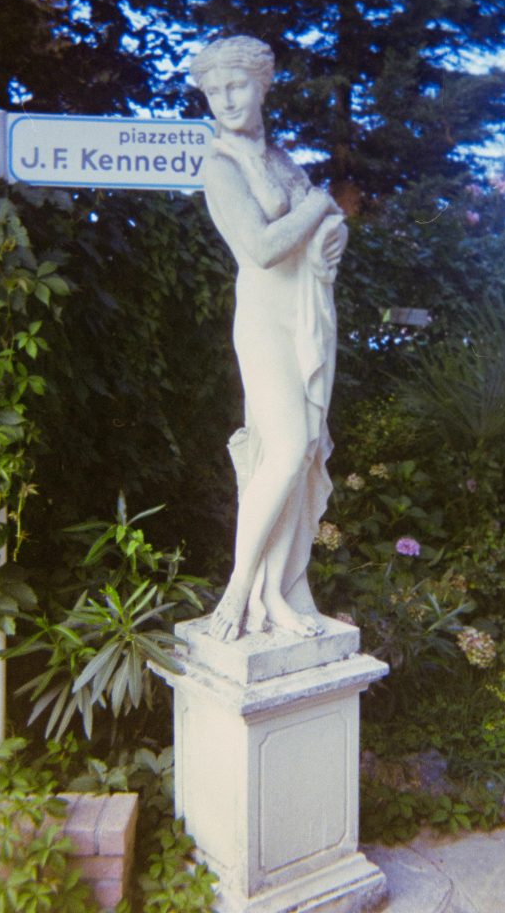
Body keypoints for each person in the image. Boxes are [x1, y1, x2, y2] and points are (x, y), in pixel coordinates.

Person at [190, 35, 347, 642]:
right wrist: (318, 208)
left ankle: (278, 591)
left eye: (236, 86)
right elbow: (258, 248)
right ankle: (237, 589)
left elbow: (322, 228)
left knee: (302, 452)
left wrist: (333, 235)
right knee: (282, 450)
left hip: (306, 314)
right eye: (213, 91)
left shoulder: (281, 160)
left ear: (262, 86)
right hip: (263, 318)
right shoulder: (221, 165)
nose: (225, 100)